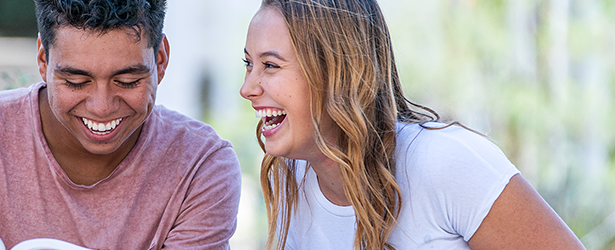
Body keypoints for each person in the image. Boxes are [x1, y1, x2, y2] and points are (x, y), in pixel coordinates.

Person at [239, 0, 585, 249]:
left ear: (338, 73)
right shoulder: (291, 181)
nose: (247, 88)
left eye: (270, 65)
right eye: (248, 64)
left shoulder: (444, 162)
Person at [0, 0, 242, 249]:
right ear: (43, 60)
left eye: (127, 80)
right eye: (76, 81)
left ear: (161, 60)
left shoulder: (201, 165)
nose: (101, 106)